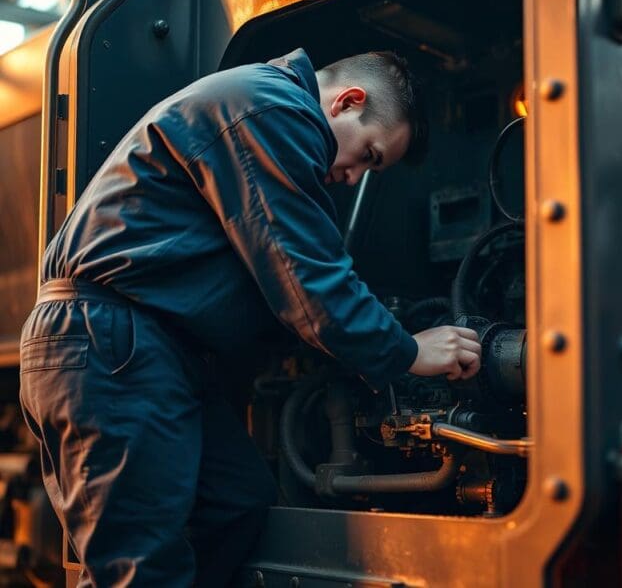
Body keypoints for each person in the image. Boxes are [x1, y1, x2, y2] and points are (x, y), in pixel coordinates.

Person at [18, 48, 482, 586]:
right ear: (347, 102)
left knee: (237, 501)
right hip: (113, 343)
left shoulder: (258, 107)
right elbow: (305, 279)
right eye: (369, 157)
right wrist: (407, 350)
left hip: (143, 349)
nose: (354, 177)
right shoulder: (274, 109)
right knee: (139, 571)